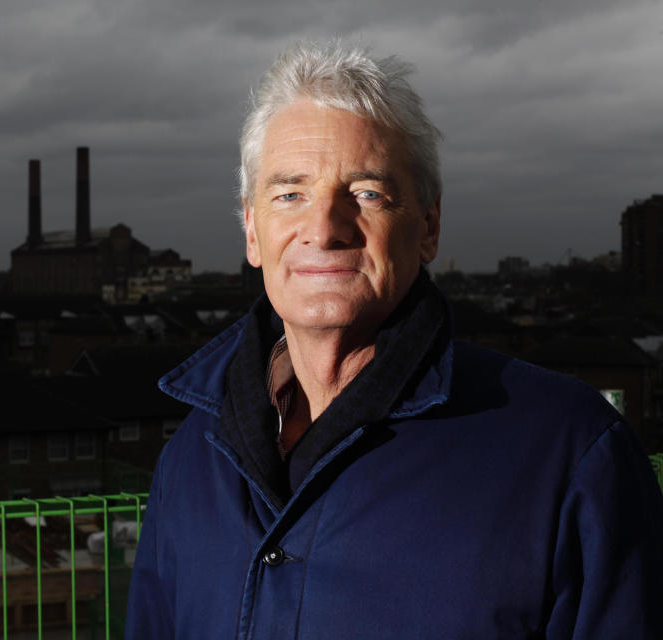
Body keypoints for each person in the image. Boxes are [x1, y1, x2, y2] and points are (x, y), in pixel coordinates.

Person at [125, 40, 663, 639]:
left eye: (366, 194)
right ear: (253, 230)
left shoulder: (571, 453)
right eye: (289, 194)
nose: (324, 229)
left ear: (428, 226)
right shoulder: (192, 457)